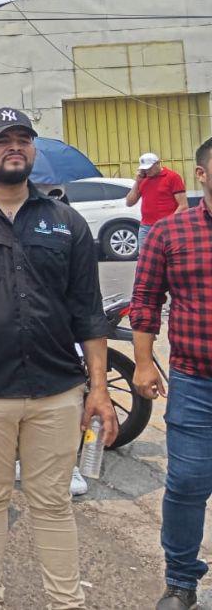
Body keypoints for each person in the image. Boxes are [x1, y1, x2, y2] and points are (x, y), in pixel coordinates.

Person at [0, 107, 117, 610]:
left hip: (56, 391)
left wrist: (98, 389)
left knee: (52, 504)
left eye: (22, 139)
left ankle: (65, 601)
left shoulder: (66, 221)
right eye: (2, 139)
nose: (14, 146)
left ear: (33, 150)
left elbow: (89, 313)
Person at [130, 137, 212, 610]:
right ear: (201, 174)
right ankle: (181, 580)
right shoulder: (170, 233)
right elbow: (145, 302)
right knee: (186, 483)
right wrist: (142, 362)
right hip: (196, 384)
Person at [127, 151, 187, 246]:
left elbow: (183, 205)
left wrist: (169, 223)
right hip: (146, 227)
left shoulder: (172, 177)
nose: (147, 171)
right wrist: (137, 182)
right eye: (144, 169)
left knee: (169, 258)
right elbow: (129, 203)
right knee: (144, 258)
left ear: (158, 163)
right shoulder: (143, 180)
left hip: (167, 226)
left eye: (149, 168)